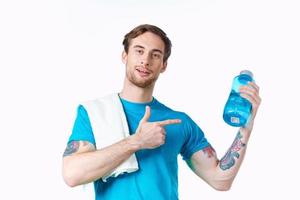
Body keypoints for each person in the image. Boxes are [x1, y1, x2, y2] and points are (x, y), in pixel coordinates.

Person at [62, 24, 261, 199]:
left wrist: (245, 128)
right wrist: (137, 141)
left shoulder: (178, 122)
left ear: (163, 65)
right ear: (125, 55)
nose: (145, 60)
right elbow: (72, 174)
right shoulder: (94, 112)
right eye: (139, 51)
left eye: (155, 55)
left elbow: (220, 180)